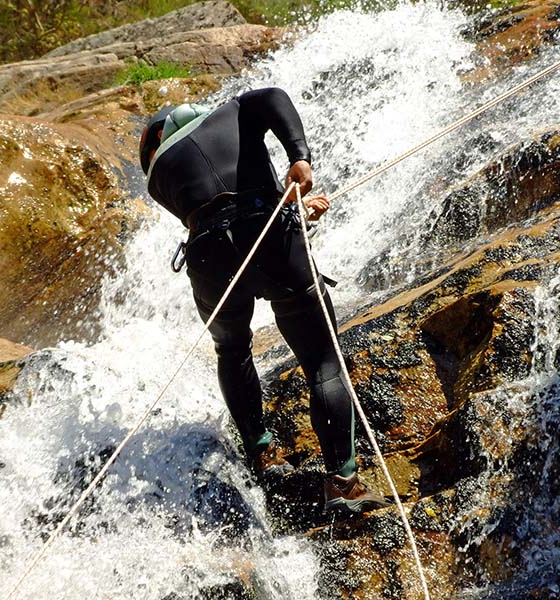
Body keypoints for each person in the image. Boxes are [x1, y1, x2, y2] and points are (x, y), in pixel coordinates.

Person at [139, 87, 390, 515]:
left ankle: (263, 455)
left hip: (208, 256)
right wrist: (299, 157)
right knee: (322, 360)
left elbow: (216, 202)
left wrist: (290, 207)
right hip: (269, 237)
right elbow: (274, 98)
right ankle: (343, 484)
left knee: (232, 349)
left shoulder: (158, 176)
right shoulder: (233, 110)